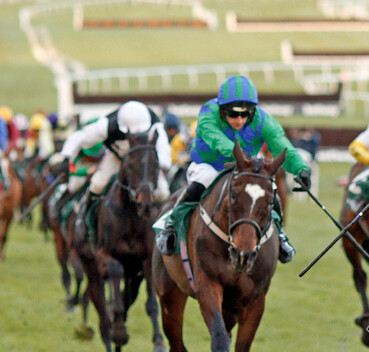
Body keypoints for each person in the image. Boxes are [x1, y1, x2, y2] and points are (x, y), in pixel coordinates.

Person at [155, 75, 312, 262]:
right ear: (222, 110)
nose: (239, 120)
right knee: (201, 183)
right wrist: (239, 154)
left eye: (245, 114)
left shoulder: (263, 119)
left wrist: (301, 169)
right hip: (210, 164)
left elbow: (281, 144)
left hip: (244, 165)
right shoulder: (208, 112)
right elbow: (216, 139)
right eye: (233, 114)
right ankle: (171, 225)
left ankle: (280, 234)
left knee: (270, 191)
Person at [50, 100, 171, 246]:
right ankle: (84, 221)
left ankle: (166, 232)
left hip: (142, 160)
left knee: (163, 192)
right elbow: (79, 137)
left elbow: (165, 156)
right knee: (97, 185)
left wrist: (157, 164)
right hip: (116, 157)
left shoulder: (155, 124)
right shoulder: (106, 125)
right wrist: (66, 157)